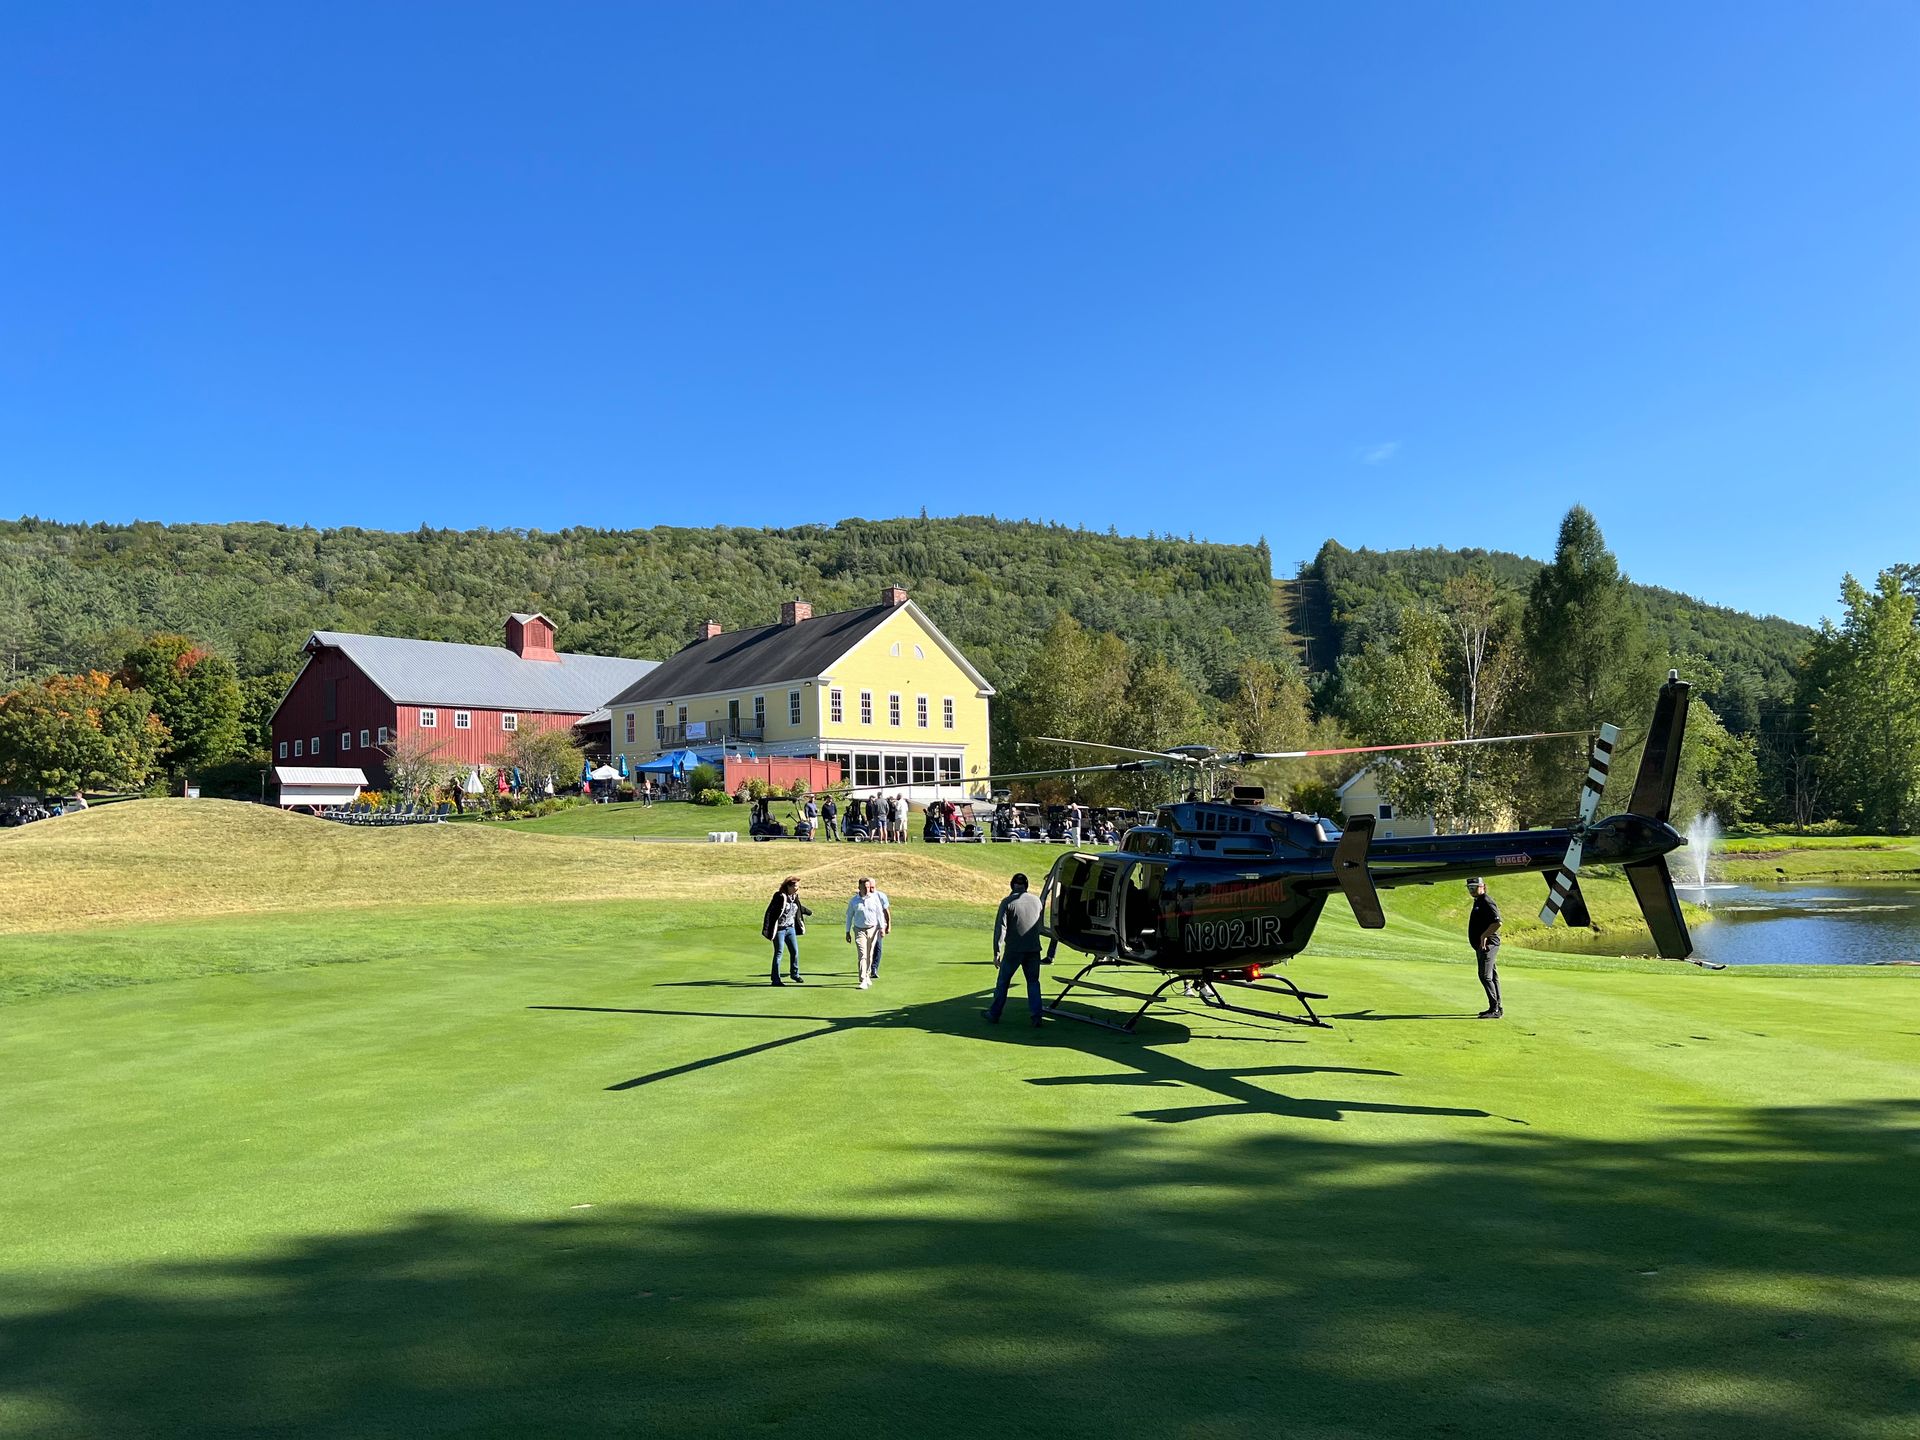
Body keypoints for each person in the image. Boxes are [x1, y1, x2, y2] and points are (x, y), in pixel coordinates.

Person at [985, 872, 1046, 1026]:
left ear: (1012, 885)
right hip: (1033, 949)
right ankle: (1036, 1016)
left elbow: (1001, 929)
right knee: (1033, 982)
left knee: (1003, 982)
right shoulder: (1037, 901)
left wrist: (997, 952)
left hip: (1014, 949)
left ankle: (994, 1013)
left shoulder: (1008, 902)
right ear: (1026, 886)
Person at [762, 876, 812, 986]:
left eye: (798, 886)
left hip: (790, 929)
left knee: (794, 952)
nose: (797, 888)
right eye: (795, 886)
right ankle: (775, 979)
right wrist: (766, 929)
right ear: (788, 886)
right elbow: (770, 912)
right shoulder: (780, 896)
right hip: (779, 929)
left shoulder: (794, 896)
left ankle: (795, 974)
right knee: (779, 953)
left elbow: (797, 907)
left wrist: (808, 911)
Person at [1468, 877, 1502, 1019]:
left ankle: (1495, 1009)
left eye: (1475, 887)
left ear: (1483, 887)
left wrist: (1483, 936)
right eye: (1469, 888)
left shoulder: (1487, 901)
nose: (1472, 890)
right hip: (1482, 945)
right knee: (1491, 976)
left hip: (1488, 944)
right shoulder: (1478, 901)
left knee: (1485, 976)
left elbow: (1497, 923)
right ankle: (1496, 1007)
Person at [845, 877, 886, 990]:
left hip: (873, 929)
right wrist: (847, 931)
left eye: (868, 887)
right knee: (862, 954)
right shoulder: (854, 901)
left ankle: (867, 975)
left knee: (869, 953)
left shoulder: (874, 898)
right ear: (859, 887)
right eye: (864, 887)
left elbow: (879, 914)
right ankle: (863, 979)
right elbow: (849, 916)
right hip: (859, 930)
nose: (867, 889)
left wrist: (882, 927)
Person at [868, 883, 893, 979]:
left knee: (878, 945)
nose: (871, 889)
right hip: (867, 925)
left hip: (879, 925)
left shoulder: (881, 896)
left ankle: (874, 968)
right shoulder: (863, 897)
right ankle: (867, 966)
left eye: (873, 887)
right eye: (869, 888)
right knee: (868, 947)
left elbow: (886, 912)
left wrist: (888, 925)